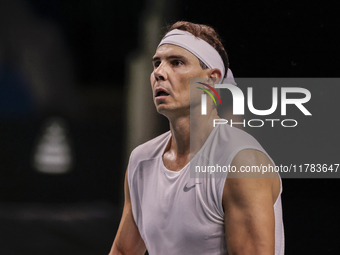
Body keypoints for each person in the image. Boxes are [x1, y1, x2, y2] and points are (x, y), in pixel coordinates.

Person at [109, 21, 284, 255]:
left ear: (211, 79)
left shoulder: (242, 163)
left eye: (176, 63)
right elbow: (123, 250)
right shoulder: (141, 160)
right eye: (157, 63)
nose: (159, 73)